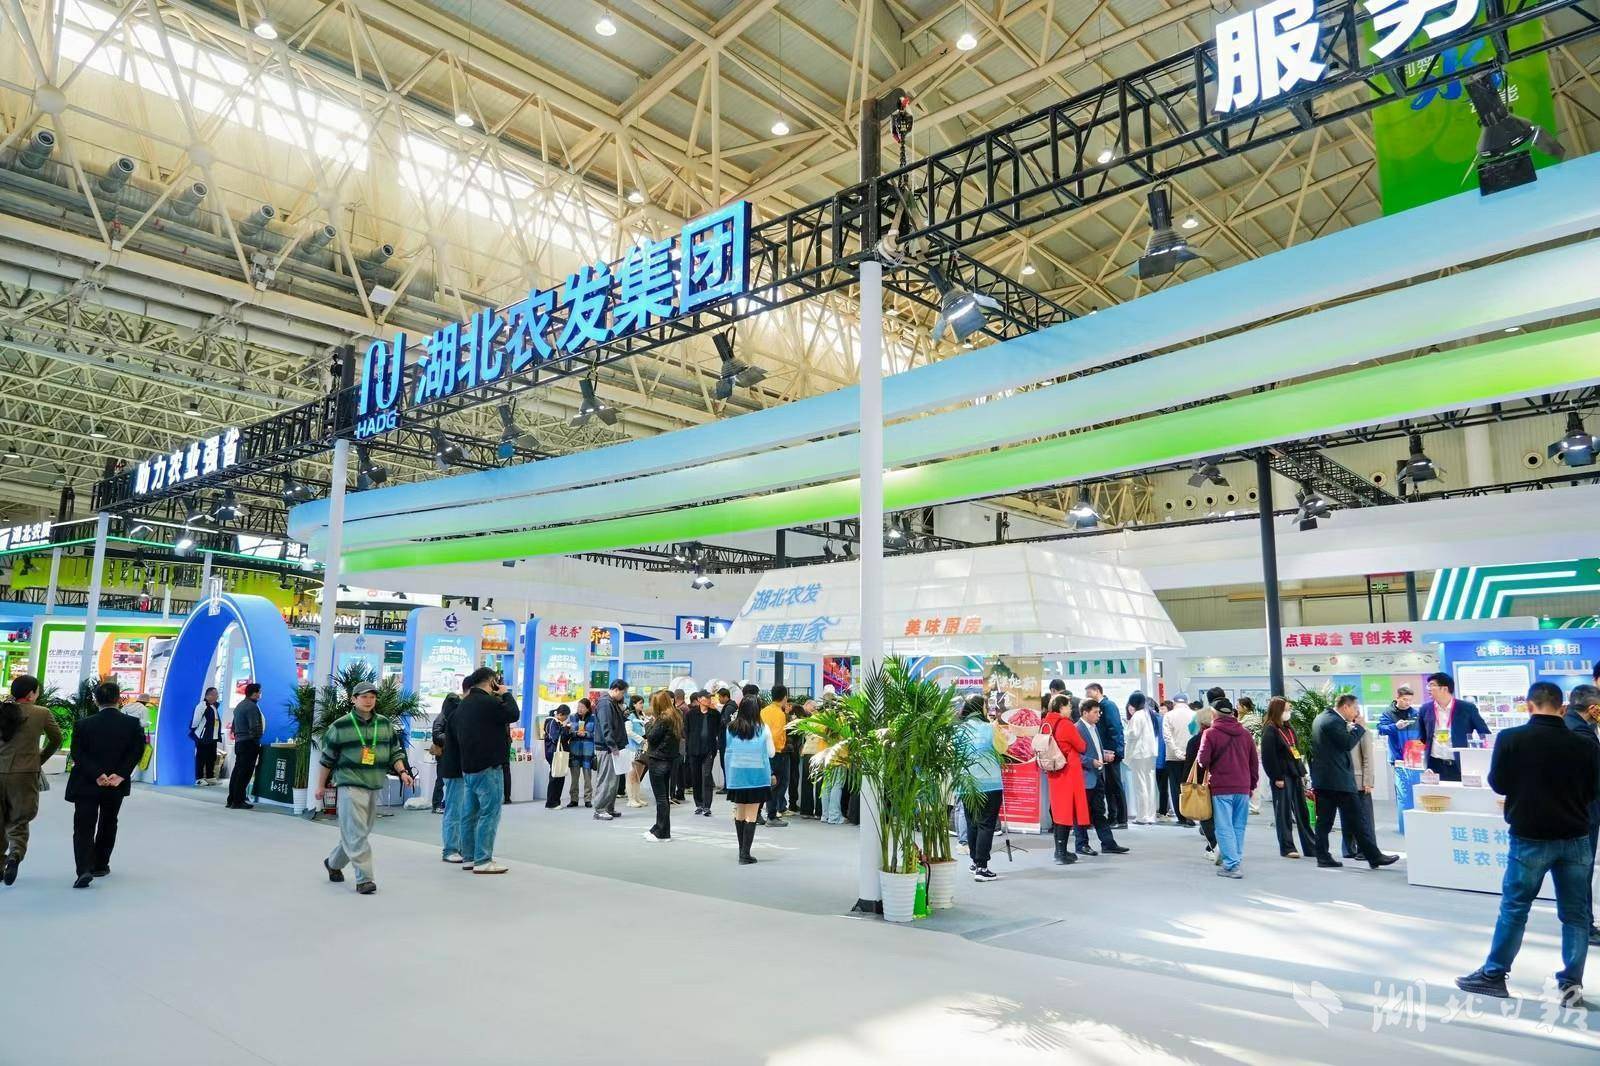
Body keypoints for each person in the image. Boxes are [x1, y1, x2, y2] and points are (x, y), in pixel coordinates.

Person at [1457, 681, 1599, 1007]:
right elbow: (1594, 791)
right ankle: (1571, 986)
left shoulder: (1511, 738)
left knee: (1515, 908)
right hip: (1576, 838)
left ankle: (1494, 975)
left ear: (1529, 706)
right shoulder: (1585, 744)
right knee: (1576, 915)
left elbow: (1498, 783)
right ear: (1562, 707)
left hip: (1529, 838)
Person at [314, 682, 413, 895]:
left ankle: (333, 863)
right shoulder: (340, 726)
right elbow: (327, 759)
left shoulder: (385, 724)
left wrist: (403, 772)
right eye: (364, 696)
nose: (369, 701)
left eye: (372, 697)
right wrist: (320, 786)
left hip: (374, 784)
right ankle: (364, 879)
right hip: (349, 784)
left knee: (358, 832)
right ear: (353, 699)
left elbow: (395, 752)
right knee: (357, 832)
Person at [64, 681, 145, 888]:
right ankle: (100, 865)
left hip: (87, 782)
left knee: (83, 825)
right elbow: (137, 751)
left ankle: (83, 869)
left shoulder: (83, 724)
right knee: (109, 822)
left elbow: (77, 753)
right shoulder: (132, 724)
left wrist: (97, 774)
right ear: (119, 699)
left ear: (95, 700)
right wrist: (120, 774)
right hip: (115, 785)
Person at [1310, 693, 1401, 870]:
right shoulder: (1332, 721)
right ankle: (1374, 856)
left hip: (1326, 780)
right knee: (1357, 820)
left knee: (1325, 822)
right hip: (1338, 782)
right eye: (1355, 708)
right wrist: (1359, 727)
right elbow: (1346, 744)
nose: (1356, 713)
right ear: (1345, 707)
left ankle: (1324, 856)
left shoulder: (1322, 718)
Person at [450, 667, 520, 874]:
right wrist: (506, 693)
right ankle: (483, 859)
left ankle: (469, 858)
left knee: (469, 814)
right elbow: (513, 714)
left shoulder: (463, 705)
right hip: (489, 766)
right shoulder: (489, 702)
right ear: (492, 682)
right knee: (489, 813)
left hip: (468, 767)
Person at [0, 675, 61, 886]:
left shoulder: (2, 710)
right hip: (24, 774)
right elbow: (57, 739)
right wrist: (39, 760)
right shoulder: (41, 713)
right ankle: (15, 855)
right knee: (19, 818)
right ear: (31, 694)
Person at [1197, 698, 1258, 878]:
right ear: (1232, 713)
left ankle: (1231, 865)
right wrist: (1252, 785)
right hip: (1243, 786)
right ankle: (1235, 859)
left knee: (1223, 827)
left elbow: (1203, 760)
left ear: (1214, 713)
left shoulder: (1210, 733)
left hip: (1222, 786)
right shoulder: (1245, 734)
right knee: (1238, 826)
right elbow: (1253, 763)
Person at [1563, 684, 1600, 948]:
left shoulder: (1566, 725)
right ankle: (1584, 926)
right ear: (1592, 708)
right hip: (1585, 812)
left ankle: (1580, 923)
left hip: (1572, 810)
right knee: (1581, 871)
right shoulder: (1583, 734)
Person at [958, 695, 1007, 881]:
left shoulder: (959, 730)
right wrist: (998, 730)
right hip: (990, 784)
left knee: (972, 823)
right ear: (981, 708)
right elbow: (1002, 749)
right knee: (986, 824)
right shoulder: (989, 728)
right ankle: (982, 867)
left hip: (967, 784)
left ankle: (974, 862)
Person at [1259, 696, 1314, 859]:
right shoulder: (1270, 729)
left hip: (1295, 774)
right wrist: (1276, 777)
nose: (1289, 712)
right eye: (1286, 709)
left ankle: (1311, 846)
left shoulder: (1288, 728)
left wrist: (1302, 773)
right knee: (1283, 814)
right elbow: (1268, 757)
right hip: (1281, 776)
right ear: (1278, 710)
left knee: (1302, 812)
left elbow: (1295, 750)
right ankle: (1287, 847)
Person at [1073, 699, 1129, 857]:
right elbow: (1074, 755)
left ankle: (1108, 843)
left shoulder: (1094, 727)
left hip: (1097, 775)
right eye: (1095, 712)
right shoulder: (1077, 729)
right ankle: (1081, 844)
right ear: (1085, 712)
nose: (1099, 715)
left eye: (1099, 712)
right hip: (1085, 777)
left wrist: (1103, 755)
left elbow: (1094, 749)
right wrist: (1091, 761)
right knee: (1082, 812)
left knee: (1099, 811)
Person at [724, 693, 775, 864]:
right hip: (757, 776)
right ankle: (745, 854)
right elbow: (771, 753)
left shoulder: (731, 728)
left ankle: (742, 851)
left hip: (737, 775)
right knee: (751, 815)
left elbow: (728, 751)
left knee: (740, 813)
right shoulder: (763, 729)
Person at [1041, 694, 1089, 865]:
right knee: (1066, 812)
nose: (1070, 709)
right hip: (1068, 772)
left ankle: (1059, 850)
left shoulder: (1045, 723)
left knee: (1058, 811)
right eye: (1068, 706)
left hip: (1053, 772)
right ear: (1061, 707)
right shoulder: (1066, 724)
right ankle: (1061, 853)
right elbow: (1082, 746)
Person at [1417, 671, 1491, 782]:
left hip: (1460, 764)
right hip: (1434, 765)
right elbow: (1423, 736)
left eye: (1432, 685)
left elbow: (1484, 733)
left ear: (1444, 689)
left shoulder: (1467, 708)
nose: (1428, 689)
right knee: (1436, 793)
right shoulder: (1425, 709)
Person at [1341, 701, 1379, 860]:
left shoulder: (1364, 731)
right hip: (1344, 781)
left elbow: (1368, 757)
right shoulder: (1341, 729)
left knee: (1364, 817)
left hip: (1360, 781)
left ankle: (1366, 850)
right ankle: (1348, 848)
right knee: (1346, 815)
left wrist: (1368, 781)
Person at [644, 691, 683, 841]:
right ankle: (660, 828)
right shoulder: (675, 715)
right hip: (668, 760)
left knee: (661, 799)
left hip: (658, 760)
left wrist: (648, 723)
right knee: (664, 798)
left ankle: (662, 832)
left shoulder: (663, 719)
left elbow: (651, 737)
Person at [1086, 683, 1126, 828]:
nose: (1087, 696)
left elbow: (1115, 729)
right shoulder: (1102, 706)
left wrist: (1113, 751)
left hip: (1111, 753)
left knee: (1115, 785)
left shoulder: (1108, 706)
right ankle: (1113, 817)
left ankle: (1121, 818)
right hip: (1105, 753)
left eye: (1089, 693)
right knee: (1109, 786)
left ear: (1097, 691)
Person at [433, 684, 465, 860]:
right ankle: (451, 848)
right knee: (453, 808)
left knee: (459, 809)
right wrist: (452, 739)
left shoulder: (454, 718)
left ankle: (458, 846)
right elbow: (437, 736)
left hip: (458, 767)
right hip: (450, 766)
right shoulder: (444, 718)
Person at [591, 679, 629, 821]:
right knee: (606, 779)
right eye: (623, 693)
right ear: (616, 690)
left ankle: (608, 808)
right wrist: (612, 746)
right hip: (607, 748)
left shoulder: (612, 703)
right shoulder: (605, 704)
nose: (623, 696)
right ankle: (600, 809)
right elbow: (605, 726)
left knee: (613, 780)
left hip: (613, 747)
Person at [1184, 705, 1218, 856]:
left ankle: (1214, 845)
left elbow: (1190, 764)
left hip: (1202, 783)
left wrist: (1185, 783)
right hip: (1223, 782)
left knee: (1205, 815)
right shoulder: (1222, 737)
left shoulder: (1195, 741)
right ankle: (1221, 845)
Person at [225, 682, 264, 809]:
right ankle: (238, 800)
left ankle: (231, 799)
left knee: (237, 771)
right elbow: (255, 726)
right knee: (245, 773)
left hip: (239, 742)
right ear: (255, 693)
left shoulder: (240, 706)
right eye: (259, 692)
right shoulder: (252, 707)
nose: (260, 694)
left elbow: (234, 726)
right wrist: (256, 739)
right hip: (249, 743)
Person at [1123, 692, 1159, 825]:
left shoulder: (1137, 715)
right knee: (1150, 785)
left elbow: (1133, 734)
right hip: (1150, 753)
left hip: (1139, 754)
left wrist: (1126, 728)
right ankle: (1150, 815)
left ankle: (1142, 816)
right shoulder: (1148, 713)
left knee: (1140, 785)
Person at [761, 684, 792, 827]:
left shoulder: (764, 711)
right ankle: (772, 816)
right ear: (784, 697)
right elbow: (777, 734)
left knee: (768, 784)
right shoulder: (780, 714)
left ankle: (761, 813)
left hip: (764, 751)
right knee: (779, 784)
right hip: (777, 753)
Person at [685, 690, 720, 817]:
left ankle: (707, 806)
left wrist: (716, 746)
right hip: (694, 750)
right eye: (707, 697)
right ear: (699, 699)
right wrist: (688, 748)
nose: (709, 700)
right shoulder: (691, 714)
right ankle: (698, 804)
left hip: (709, 750)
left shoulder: (715, 714)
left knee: (706, 775)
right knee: (696, 777)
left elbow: (719, 730)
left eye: (710, 698)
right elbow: (687, 731)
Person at [1164, 694, 1196, 825]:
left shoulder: (1168, 715)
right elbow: (1196, 734)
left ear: (1174, 702)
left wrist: (1176, 751)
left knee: (1175, 787)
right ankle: (1190, 815)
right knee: (1190, 786)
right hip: (1191, 756)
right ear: (1187, 702)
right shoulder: (1194, 714)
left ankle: (1181, 817)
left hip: (1173, 757)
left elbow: (1167, 736)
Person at [1378, 684, 1420, 765]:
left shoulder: (1415, 714)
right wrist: (1395, 726)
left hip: (1414, 758)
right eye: (1405, 699)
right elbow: (1381, 730)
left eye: (1410, 700)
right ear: (1397, 698)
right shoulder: (1388, 713)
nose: (1408, 703)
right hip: (1397, 758)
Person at [188, 687, 222, 786]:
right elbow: (195, 721)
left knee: (211, 757)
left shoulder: (214, 706)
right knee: (201, 757)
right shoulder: (202, 706)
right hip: (203, 737)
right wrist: (198, 732)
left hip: (213, 737)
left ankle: (210, 777)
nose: (217, 696)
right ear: (209, 695)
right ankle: (199, 778)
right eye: (215, 694)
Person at [567, 698, 595, 807]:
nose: (580, 709)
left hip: (588, 750)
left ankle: (588, 799)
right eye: (578, 707)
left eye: (582, 707)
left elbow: (597, 733)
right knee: (574, 777)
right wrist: (575, 733)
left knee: (587, 777)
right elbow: (568, 732)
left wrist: (587, 734)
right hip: (574, 749)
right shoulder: (572, 717)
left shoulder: (593, 718)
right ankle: (574, 799)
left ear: (588, 708)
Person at [543, 705, 572, 809]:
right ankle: (551, 802)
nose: (566, 718)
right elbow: (556, 738)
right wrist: (566, 729)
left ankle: (556, 801)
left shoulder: (556, 722)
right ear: (560, 714)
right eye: (566, 716)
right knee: (555, 777)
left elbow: (561, 738)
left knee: (559, 776)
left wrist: (568, 732)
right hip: (554, 753)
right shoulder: (552, 722)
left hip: (557, 753)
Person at [624, 695, 649, 809]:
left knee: (639, 774)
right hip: (632, 749)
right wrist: (641, 739)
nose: (642, 705)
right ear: (633, 704)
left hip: (642, 748)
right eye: (640, 703)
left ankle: (637, 797)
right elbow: (628, 732)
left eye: (642, 703)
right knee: (631, 774)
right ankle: (631, 799)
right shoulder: (629, 716)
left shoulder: (642, 715)